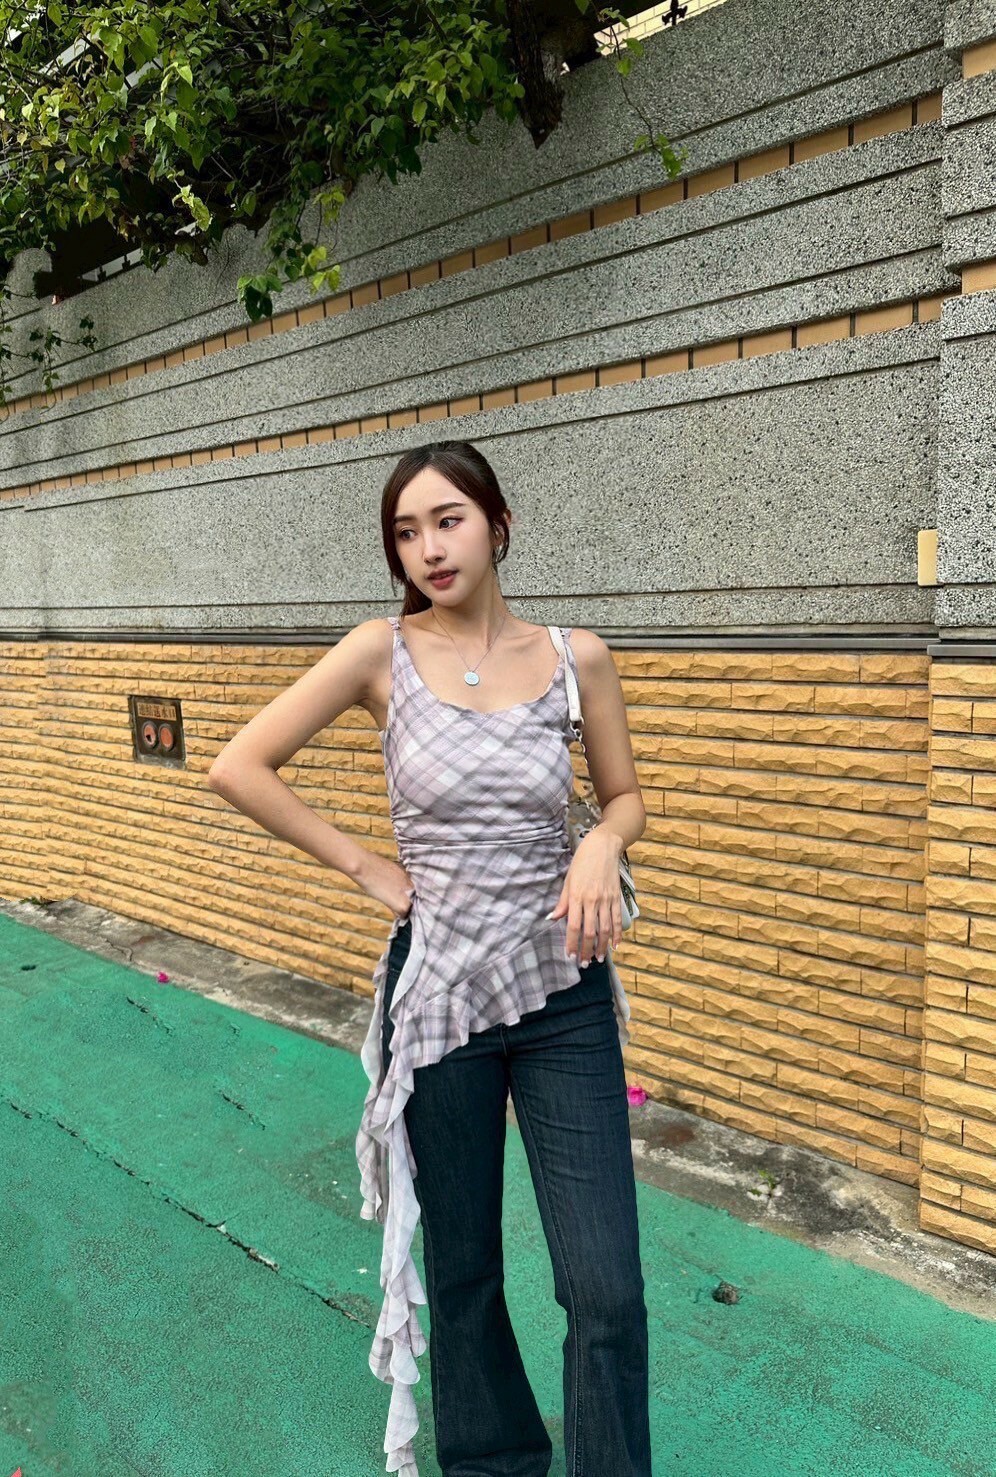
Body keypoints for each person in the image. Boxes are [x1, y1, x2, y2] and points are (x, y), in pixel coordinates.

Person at [206, 438, 652, 1477]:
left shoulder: (576, 656)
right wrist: (366, 866)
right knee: (463, 1270)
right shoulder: (381, 652)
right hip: (440, 995)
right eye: (406, 532)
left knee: (606, 1287)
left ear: (500, 525)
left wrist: (602, 838)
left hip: (561, 992)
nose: (429, 549)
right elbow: (240, 764)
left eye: (448, 520)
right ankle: (495, 1464)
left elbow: (627, 795)